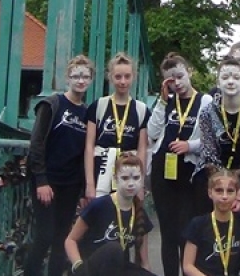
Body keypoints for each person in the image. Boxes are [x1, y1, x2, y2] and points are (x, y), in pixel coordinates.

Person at [23, 55, 95, 276]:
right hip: (48, 181)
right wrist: (41, 180)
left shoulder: (87, 114)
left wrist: (83, 190)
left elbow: (85, 153)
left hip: (70, 184)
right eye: (76, 76)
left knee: (62, 238)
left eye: (85, 77)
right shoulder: (52, 105)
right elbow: (36, 143)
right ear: (68, 78)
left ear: (91, 80)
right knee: (44, 234)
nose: (80, 81)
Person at [147, 53, 212, 276]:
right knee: (168, 232)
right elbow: (152, 132)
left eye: (180, 76)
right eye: (171, 79)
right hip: (163, 171)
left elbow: (213, 139)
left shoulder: (205, 101)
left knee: (187, 231)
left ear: (189, 72)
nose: (177, 83)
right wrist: (162, 101)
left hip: (189, 174)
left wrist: (190, 145)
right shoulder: (167, 101)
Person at [193, 57, 240, 214]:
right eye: (225, 77)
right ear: (218, 83)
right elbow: (209, 154)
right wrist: (229, 187)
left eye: (236, 77)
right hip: (212, 173)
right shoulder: (207, 112)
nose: (231, 82)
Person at [65, 153, 156, 276]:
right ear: (115, 179)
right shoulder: (99, 205)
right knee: (114, 249)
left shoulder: (139, 211)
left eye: (136, 178)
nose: (131, 183)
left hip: (118, 268)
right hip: (90, 268)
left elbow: (145, 263)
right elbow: (70, 240)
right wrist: (78, 266)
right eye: (125, 178)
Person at [182, 168, 240, 276]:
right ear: (210, 193)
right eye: (219, 191)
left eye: (230, 191)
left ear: (236, 193)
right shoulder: (198, 224)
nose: (224, 196)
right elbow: (187, 265)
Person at [85, 52, 150, 199]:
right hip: (101, 169)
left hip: (129, 172)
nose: (123, 81)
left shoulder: (141, 110)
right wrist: (89, 183)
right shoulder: (98, 106)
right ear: (110, 77)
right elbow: (89, 146)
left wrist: (140, 185)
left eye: (127, 76)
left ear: (134, 77)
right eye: (118, 77)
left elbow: (142, 149)